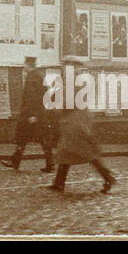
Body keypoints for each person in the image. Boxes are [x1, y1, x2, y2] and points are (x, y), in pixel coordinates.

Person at [48, 63, 115, 194]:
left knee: (81, 152)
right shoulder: (76, 81)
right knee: (67, 152)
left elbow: (69, 103)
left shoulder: (73, 84)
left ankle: (108, 177)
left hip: (75, 122)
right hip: (78, 120)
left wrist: (57, 108)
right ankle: (59, 183)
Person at [3, 56, 55, 172]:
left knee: (32, 139)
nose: (24, 66)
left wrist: (32, 115)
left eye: (25, 64)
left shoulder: (33, 76)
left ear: (28, 64)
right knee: (31, 139)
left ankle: (49, 165)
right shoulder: (40, 75)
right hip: (39, 114)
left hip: (32, 115)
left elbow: (32, 97)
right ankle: (16, 162)